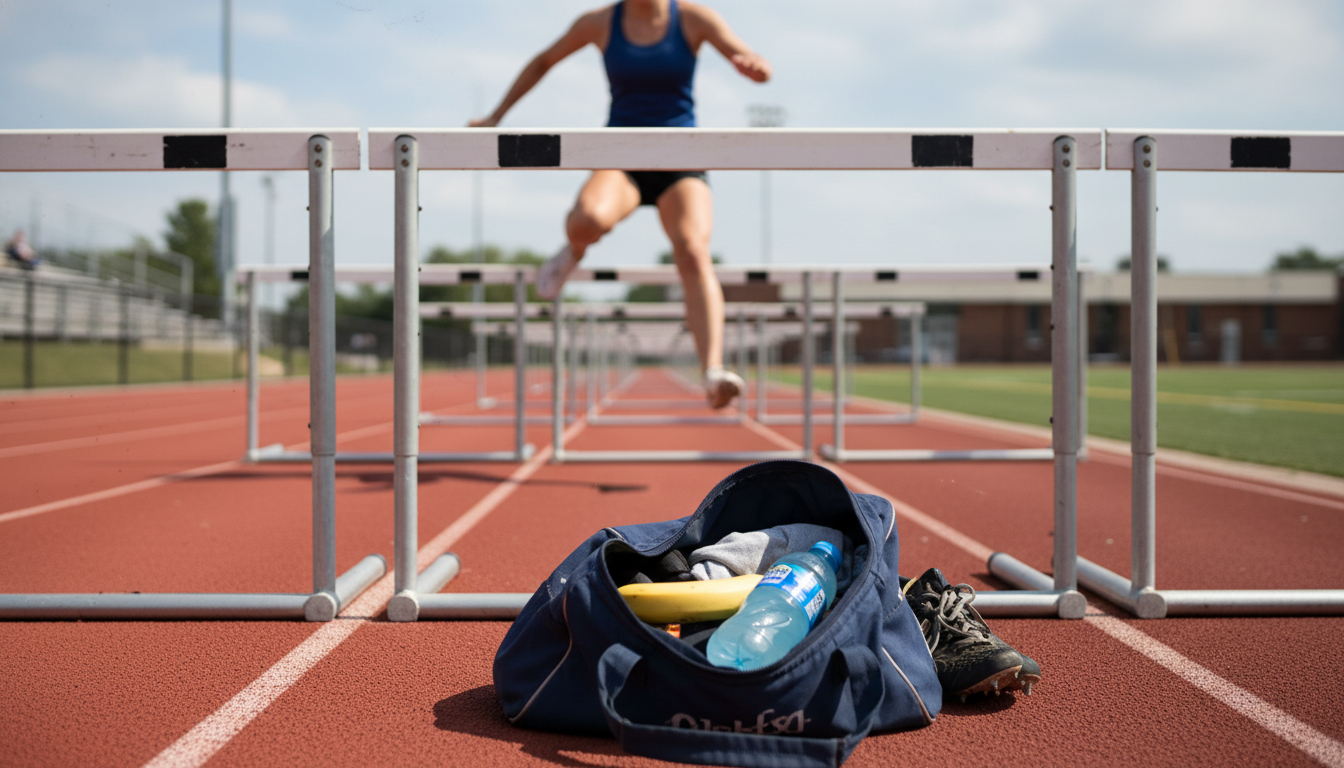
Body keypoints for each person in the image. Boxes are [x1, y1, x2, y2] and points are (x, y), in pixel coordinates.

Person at [470, 0, 770, 408]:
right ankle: (573, 251)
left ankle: (713, 371)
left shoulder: (695, 18)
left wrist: (754, 66)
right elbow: (543, 62)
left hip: (680, 159)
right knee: (587, 220)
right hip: (621, 153)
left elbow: (749, 55)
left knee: (694, 251)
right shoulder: (600, 22)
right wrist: (495, 117)